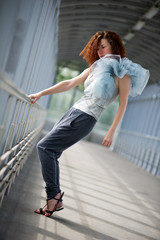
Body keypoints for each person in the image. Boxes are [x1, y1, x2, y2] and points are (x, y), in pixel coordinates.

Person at [28, 30, 149, 217]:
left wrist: (111, 131)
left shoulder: (123, 73)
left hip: (86, 117)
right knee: (52, 151)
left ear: (114, 46)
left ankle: (54, 196)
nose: (100, 51)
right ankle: (54, 200)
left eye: (103, 47)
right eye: (97, 47)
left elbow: (123, 104)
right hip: (73, 112)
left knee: (44, 147)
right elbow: (70, 83)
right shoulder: (95, 67)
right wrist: (40, 93)